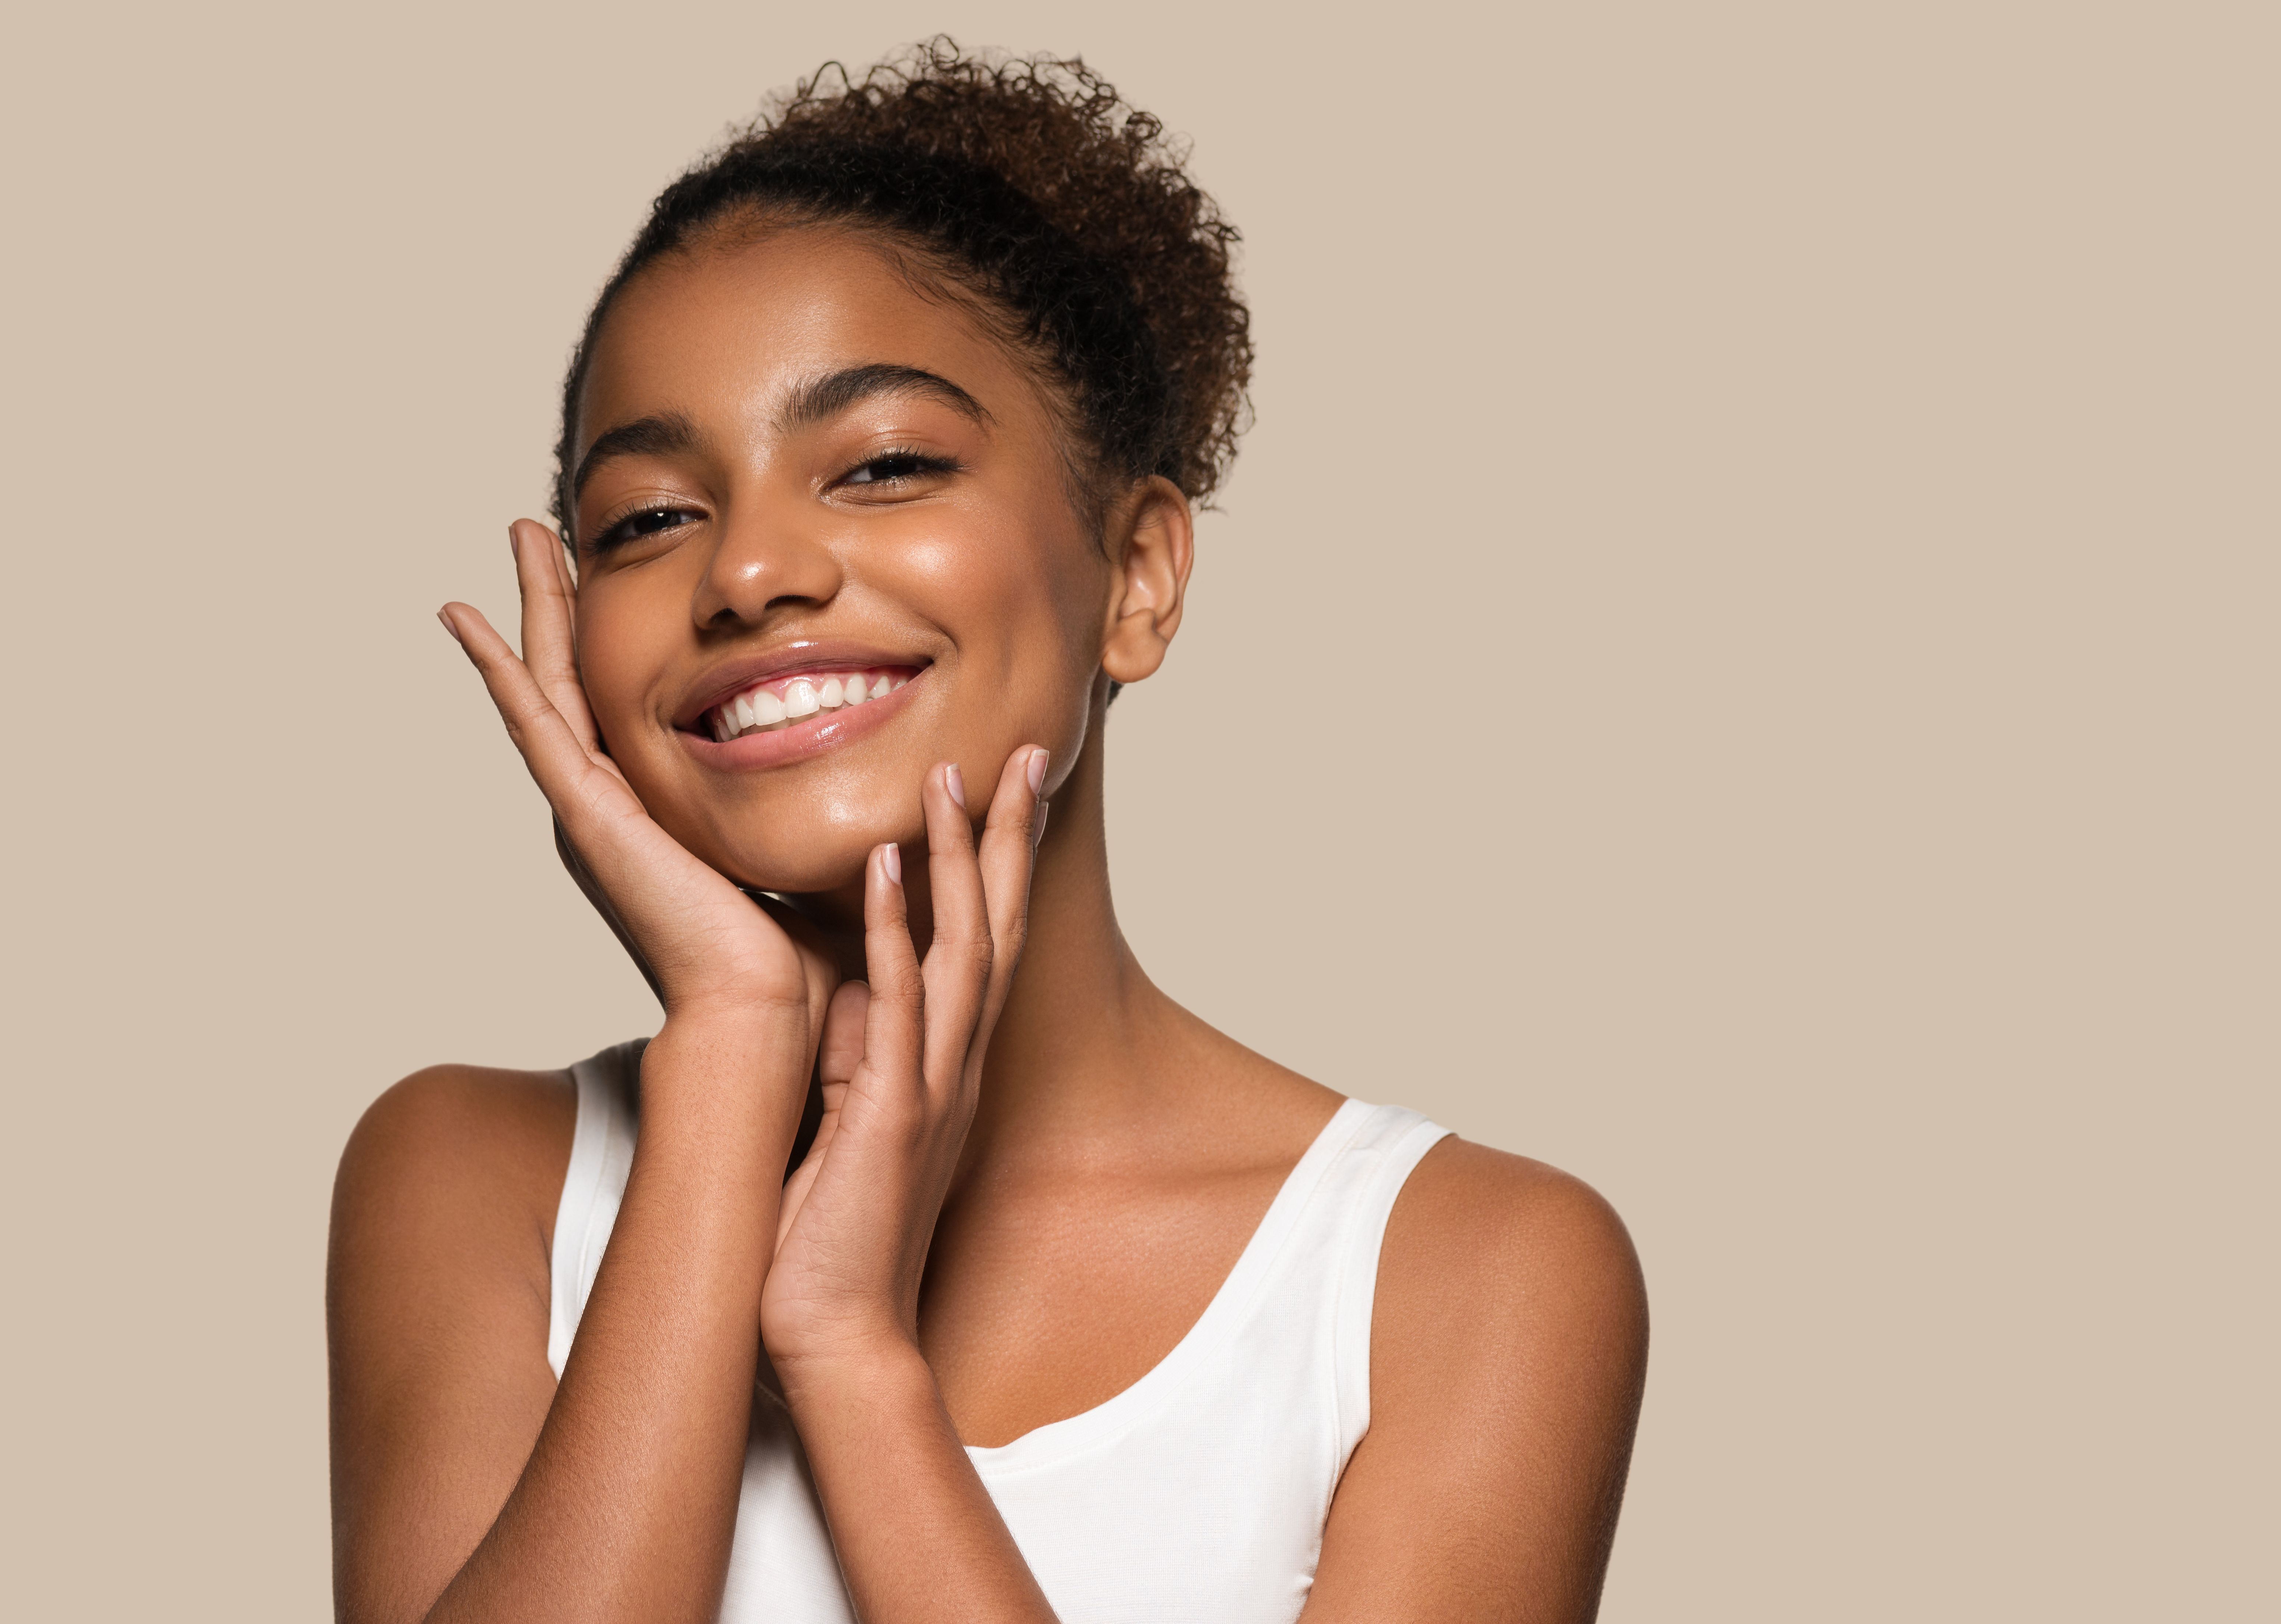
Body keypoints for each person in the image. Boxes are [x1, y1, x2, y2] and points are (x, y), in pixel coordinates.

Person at [327, 41, 1648, 1624]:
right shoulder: (471, 1180)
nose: (747, 572)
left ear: (1140, 576)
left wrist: (852, 1358)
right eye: (650, 519)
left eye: (883, 466)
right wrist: (733, 1061)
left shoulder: (1463, 1273)